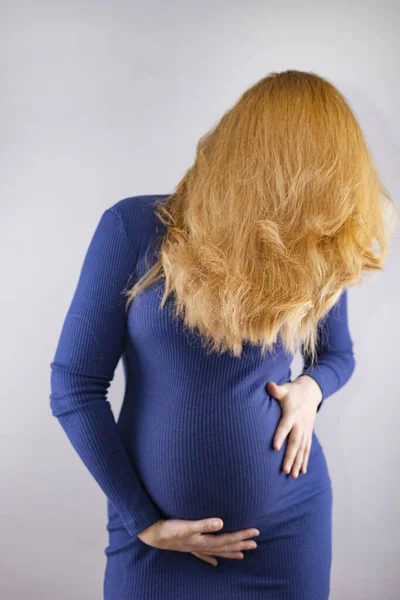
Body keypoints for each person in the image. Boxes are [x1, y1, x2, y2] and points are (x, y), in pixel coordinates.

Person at [49, 69, 396, 599]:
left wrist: (311, 390)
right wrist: (145, 522)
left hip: (285, 537)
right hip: (156, 545)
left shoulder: (311, 246)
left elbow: (338, 355)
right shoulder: (136, 228)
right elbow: (74, 385)